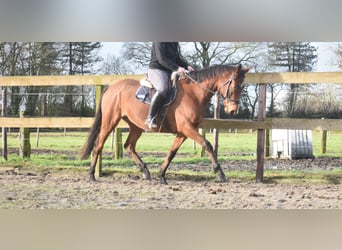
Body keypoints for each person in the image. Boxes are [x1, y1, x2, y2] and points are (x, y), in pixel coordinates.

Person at [145, 42, 194, 129]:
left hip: (169, 70)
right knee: (163, 89)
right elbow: (161, 59)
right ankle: (150, 118)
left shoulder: (174, 42)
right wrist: (177, 68)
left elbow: (177, 58)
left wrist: (187, 66)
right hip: (157, 69)